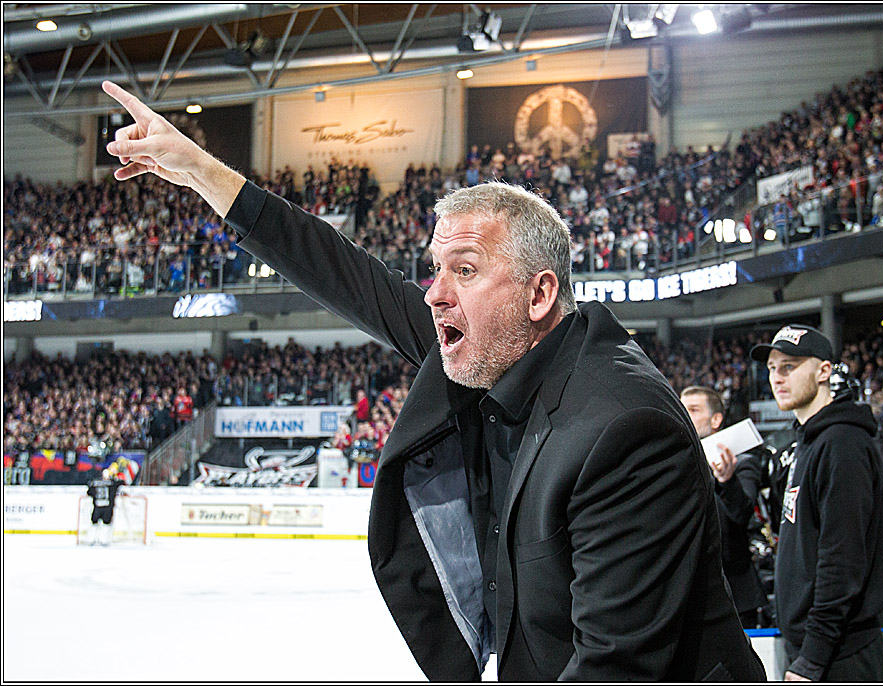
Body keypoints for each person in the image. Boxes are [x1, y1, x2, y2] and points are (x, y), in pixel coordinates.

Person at [102, 79, 766, 682]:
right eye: (434, 268)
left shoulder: (624, 429)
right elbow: (347, 275)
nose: (433, 295)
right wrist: (198, 171)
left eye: (465, 270)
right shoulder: (498, 350)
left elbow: (617, 668)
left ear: (540, 294)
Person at [751, 324, 883, 681]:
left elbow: (841, 561)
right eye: (771, 368)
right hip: (816, 646)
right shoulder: (808, 443)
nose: (777, 378)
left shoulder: (842, 444)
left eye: (790, 366)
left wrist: (813, 657)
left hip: (839, 654)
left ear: (824, 370)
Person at [681, 386, 769, 628]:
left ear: (716, 419)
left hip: (736, 594)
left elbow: (742, 513)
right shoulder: (678, 466)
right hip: (691, 594)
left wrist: (727, 481)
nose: (684, 414)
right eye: (682, 407)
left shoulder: (743, 464)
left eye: (694, 409)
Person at [85, 468, 124, 546]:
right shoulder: (112, 483)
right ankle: (104, 540)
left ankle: (92, 539)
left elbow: (89, 492)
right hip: (107, 507)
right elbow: (121, 482)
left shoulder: (95, 482)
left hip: (97, 506)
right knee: (106, 524)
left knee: (94, 523)